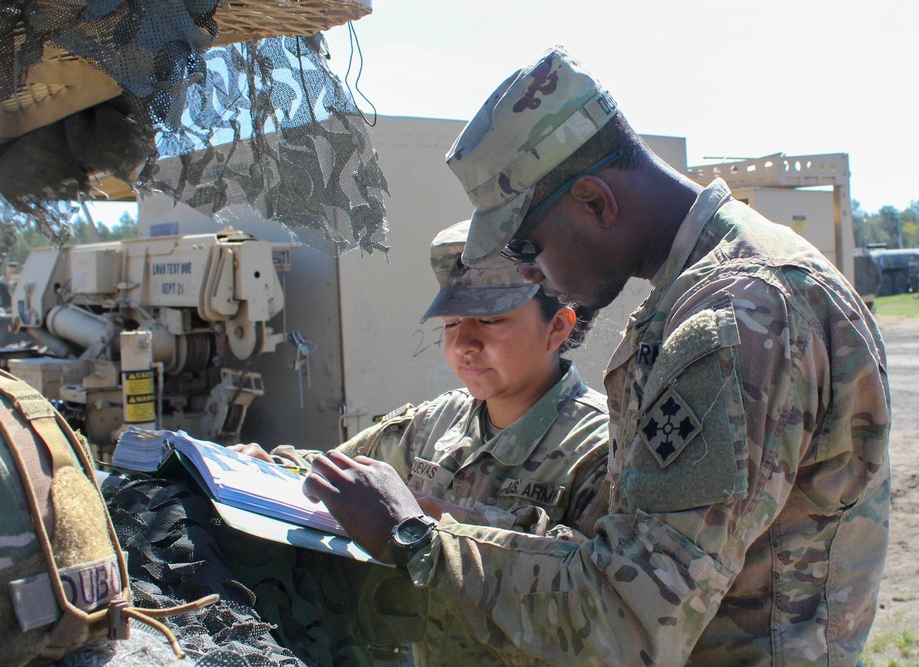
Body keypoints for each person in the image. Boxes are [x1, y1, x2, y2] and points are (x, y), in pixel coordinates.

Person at [304, 48, 892, 666]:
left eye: (529, 243)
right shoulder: (725, 289)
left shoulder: (736, 316)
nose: (532, 270)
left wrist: (417, 541)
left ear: (595, 201)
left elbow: (627, 619)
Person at [237, 218, 609, 664]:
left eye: (490, 320)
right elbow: (337, 475)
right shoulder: (435, 423)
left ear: (558, 328)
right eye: (452, 323)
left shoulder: (603, 451)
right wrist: (260, 469)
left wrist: (426, 520)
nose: (465, 343)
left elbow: (600, 602)